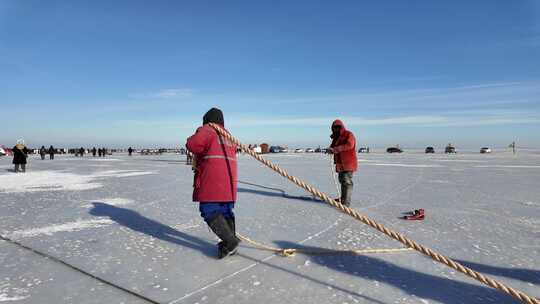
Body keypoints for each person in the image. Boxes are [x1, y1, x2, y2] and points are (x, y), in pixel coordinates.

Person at [186, 108, 239, 259]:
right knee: (225, 211)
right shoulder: (228, 136)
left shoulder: (208, 130)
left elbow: (192, 144)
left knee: (209, 209)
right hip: (229, 182)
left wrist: (200, 129)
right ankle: (230, 244)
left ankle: (230, 242)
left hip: (213, 181)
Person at [328, 119, 358, 207]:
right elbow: (332, 146)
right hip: (340, 164)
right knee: (342, 181)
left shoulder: (348, 134)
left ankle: (346, 203)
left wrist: (335, 150)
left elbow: (349, 145)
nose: (336, 129)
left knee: (347, 182)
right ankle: (342, 199)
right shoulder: (336, 138)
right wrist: (330, 149)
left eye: (338, 127)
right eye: (334, 128)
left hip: (348, 163)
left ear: (341, 127)